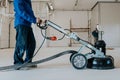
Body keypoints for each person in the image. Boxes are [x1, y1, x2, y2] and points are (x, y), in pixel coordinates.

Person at [13, 0, 42, 67]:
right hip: (21, 23)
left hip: (28, 24)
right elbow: (21, 12)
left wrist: (35, 19)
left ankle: (28, 61)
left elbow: (29, 12)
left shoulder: (28, 1)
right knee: (21, 44)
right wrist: (34, 20)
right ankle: (18, 62)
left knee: (32, 43)